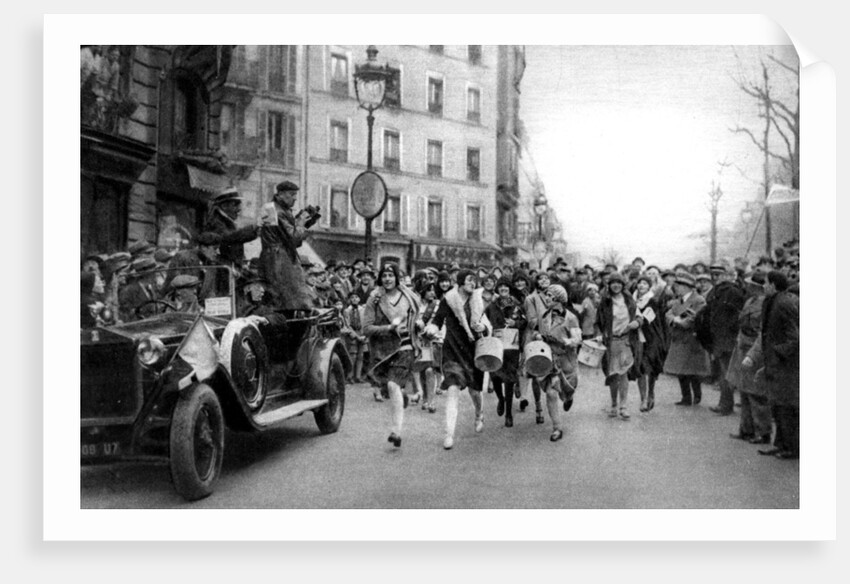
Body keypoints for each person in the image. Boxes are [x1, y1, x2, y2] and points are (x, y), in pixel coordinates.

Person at [425, 270, 489, 450]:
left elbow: (486, 324)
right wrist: (431, 329)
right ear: (460, 282)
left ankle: (479, 413)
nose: (473, 283)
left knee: (475, 391)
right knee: (452, 389)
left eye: (475, 281)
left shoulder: (477, 300)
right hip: (452, 350)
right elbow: (437, 320)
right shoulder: (449, 299)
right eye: (469, 280)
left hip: (474, 350)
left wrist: (482, 326)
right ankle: (449, 434)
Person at [362, 263, 422, 448]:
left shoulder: (409, 297)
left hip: (406, 347)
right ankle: (403, 396)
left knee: (392, 384)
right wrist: (389, 328)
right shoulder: (375, 298)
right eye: (384, 275)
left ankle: (396, 431)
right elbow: (366, 328)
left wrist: (419, 325)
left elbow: (418, 316)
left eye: (391, 275)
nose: (388, 279)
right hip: (384, 351)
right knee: (390, 388)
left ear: (397, 277)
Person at [744, 270, 799, 460]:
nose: (764, 286)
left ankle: (792, 448)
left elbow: (795, 338)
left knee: (786, 407)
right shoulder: (773, 301)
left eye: (766, 283)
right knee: (777, 405)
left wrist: (776, 353)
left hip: (787, 366)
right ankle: (781, 444)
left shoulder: (784, 303)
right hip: (777, 364)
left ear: (774, 285)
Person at [727, 271, 771, 444]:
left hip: (755, 351)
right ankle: (746, 429)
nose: (747, 286)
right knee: (744, 391)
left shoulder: (764, 304)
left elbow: (761, 332)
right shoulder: (749, 301)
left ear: (756, 287)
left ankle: (762, 432)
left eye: (750, 285)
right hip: (742, 347)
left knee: (757, 393)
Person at [533, 284, 581, 441]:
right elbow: (537, 331)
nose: (546, 298)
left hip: (566, 360)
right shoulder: (544, 316)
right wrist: (538, 337)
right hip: (549, 360)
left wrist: (564, 341)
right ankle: (557, 428)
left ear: (558, 299)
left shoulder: (571, 318)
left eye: (549, 296)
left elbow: (577, 339)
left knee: (567, 388)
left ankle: (568, 397)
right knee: (551, 393)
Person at [259, 181, 316, 310]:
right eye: (292, 194)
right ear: (281, 194)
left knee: (283, 299)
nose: (295, 198)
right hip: (279, 259)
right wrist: (300, 223)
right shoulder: (278, 211)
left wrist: (299, 223)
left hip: (274, 256)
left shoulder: (272, 208)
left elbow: (283, 235)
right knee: (291, 299)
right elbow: (294, 239)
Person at [597, 272, 642, 420]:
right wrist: (600, 334)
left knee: (623, 374)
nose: (616, 285)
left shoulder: (629, 300)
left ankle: (623, 406)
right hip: (611, 342)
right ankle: (613, 404)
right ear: (609, 285)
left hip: (626, 341)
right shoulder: (606, 302)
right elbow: (599, 321)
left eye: (619, 283)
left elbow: (640, 316)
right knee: (613, 374)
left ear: (623, 285)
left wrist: (637, 322)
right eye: (613, 283)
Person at [703, 265, 747, 416]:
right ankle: (725, 402)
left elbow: (738, 315)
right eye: (713, 274)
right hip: (720, 337)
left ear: (728, 275)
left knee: (726, 372)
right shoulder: (718, 291)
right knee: (723, 371)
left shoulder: (731, 291)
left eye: (718, 274)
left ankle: (726, 404)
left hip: (727, 337)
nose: (715, 277)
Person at [663, 271, 711, 406]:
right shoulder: (678, 301)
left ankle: (697, 395)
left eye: (679, 285)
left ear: (687, 286)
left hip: (691, 340)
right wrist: (675, 319)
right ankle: (686, 397)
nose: (676, 288)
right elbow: (668, 314)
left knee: (692, 370)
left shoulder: (698, 300)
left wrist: (677, 321)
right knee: (681, 370)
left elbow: (694, 319)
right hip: (679, 338)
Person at [484, 277, 527, 427]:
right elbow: (484, 323)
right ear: (497, 290)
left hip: (512, 348)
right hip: (496, 346)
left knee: (509, 380)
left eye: (506, 287)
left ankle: (509, 414)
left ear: (509, 289)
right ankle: (500, 399)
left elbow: (525, 322)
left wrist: (515, 323)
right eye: (500, 287)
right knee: (495, 376)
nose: (503, 289)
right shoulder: (491, 307)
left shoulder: (517, 306)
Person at [632, 274, 668, 412]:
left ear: (649, 287)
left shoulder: (653, 301)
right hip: (637, 337)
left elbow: (652, 319)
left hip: (652, 337)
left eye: (645, 284)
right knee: (640, 367)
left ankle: (651, 393)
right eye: (639, 283)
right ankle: (643, 399)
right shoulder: (632, 300)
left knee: (651, 368)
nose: (641, 286)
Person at [521, 271, 552, 422]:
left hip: (552, 337)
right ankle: (539, 406)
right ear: (536, 282)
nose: (545, 280)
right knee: (536, 374)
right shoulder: (531, 299)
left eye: (547, 278)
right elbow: (532, 321)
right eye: (541, 278)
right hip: (536, 336)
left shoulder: (554, 296)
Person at [204, 187, 259, 270]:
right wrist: (254, 228)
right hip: (222, 270)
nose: (239, 209)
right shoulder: (215, 222)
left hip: (230, 269)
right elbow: (229, 238)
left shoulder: (227, 221)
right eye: (235, 205)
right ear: (224, 206)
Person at [342, 291, 367, 384]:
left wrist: (364, 334)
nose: (354, 299)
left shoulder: (363, 310)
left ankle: (358, 376)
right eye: (352, 298)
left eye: (356, 297)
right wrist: (356, 336)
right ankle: (350, 376)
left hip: (362, 333)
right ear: (349, 300)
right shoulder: (347, 311)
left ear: (359, 299)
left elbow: (366, 322)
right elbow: (347, 325)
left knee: (361, 356)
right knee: (353, 355)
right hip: (352, 335)